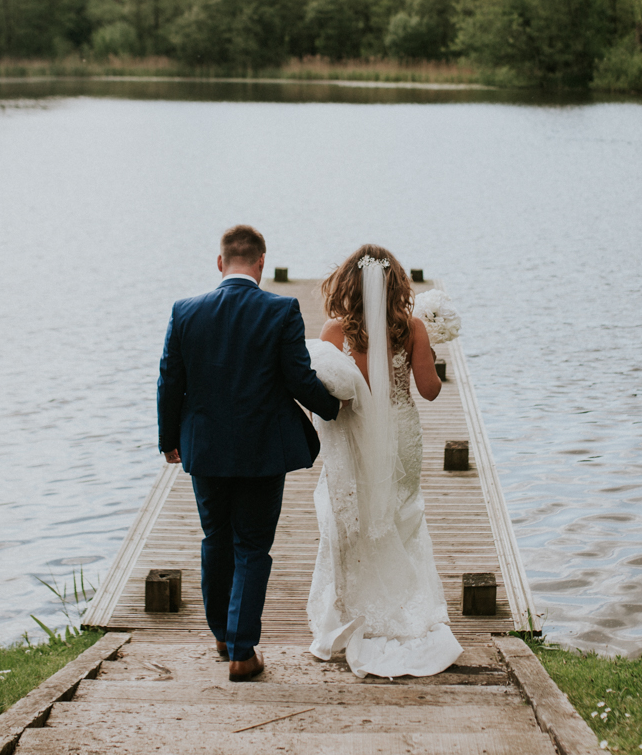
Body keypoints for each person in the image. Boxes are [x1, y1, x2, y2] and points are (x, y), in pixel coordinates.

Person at [156, 224, 340, 682]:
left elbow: (169, 381)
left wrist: (168, 440)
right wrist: (337, 408)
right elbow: (299, 379)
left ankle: (222, 635)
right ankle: (241, 650)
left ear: (220, 263)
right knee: (252, 545)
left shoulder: (185, 311)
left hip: (205, 449)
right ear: (261, 262)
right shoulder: (281, 310)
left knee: (216, 539)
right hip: (262, 450)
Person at [306, 244, 463, 678]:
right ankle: (407, 611)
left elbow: (324, 396)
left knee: (356, 518)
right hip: (401, 432)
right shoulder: (411, 327)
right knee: (402, 516)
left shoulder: (335, 332)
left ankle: (357, 613)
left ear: (347, 284)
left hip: (356, 432)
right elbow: (429, 390)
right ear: (396, 284)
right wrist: (431, 348)